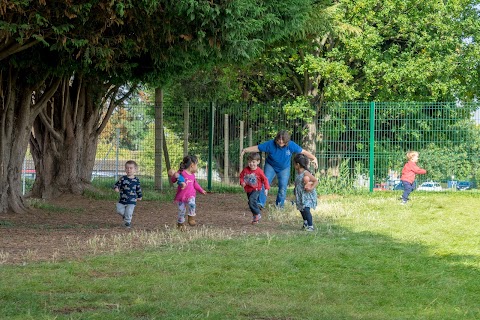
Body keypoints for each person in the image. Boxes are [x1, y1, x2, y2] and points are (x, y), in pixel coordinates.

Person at [241, 130, 318, 208]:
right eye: (279, 139)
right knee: (264, 182)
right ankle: (260, 203)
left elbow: (303, 151)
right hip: (270, 165)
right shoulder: (270, 144)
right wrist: (245, 150)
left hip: (284, 168)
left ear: (287, 140)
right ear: (276, 139)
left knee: (283, 186)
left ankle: (279, 205)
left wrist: (313, 157)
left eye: (283, 140)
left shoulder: (291, 145)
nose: (281, 141)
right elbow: (258, 148)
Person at [171, 155, 207, 230]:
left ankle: (191, 217)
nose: (197, 167)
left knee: (192, 204)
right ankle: (180, 225)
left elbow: (195, 184)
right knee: (181, 211)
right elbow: (173, 180)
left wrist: (201, 190)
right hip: (182, 196)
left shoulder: (193, 175)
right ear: (192, 165)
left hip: (191, 195)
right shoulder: (182, 172)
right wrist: (174, 175)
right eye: (197, 165)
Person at [239, 152, 270, 224]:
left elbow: (265, 179)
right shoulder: (245, 170)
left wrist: (266, 188)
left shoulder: (259, 171)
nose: (251, 164)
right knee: (251, 203)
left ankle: (257, 213)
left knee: (251, 201)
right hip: (248, 190)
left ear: (258, 162)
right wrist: (242, 182)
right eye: (249, 162)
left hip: (256, 189)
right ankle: (255, 218)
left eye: (253, 162)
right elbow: (241, 176)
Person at [113, 160, 143, 228]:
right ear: (125, 169)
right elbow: (116, 185)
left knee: (129, 212)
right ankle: (126, 216)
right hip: (122, 199)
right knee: (119, 210)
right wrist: (116, 188)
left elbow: (138, 189)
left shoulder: (136, 180)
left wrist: (140, 196)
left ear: (135, 169)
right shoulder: (123, 179)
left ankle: (127, 223)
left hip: (132, 200)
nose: (129, 170)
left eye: (131, 168)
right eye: (127, 168)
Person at [293, 154, 318, 232]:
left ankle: (311, 226)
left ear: (298, 164)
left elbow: (316, 181)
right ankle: (305, 222)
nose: (293, 165)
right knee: (301, 209)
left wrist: (311, 188)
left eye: (294, 164)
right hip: (300, 195)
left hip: (306, 195)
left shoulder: (306, 173)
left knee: (306, 210)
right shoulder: (298, 173)